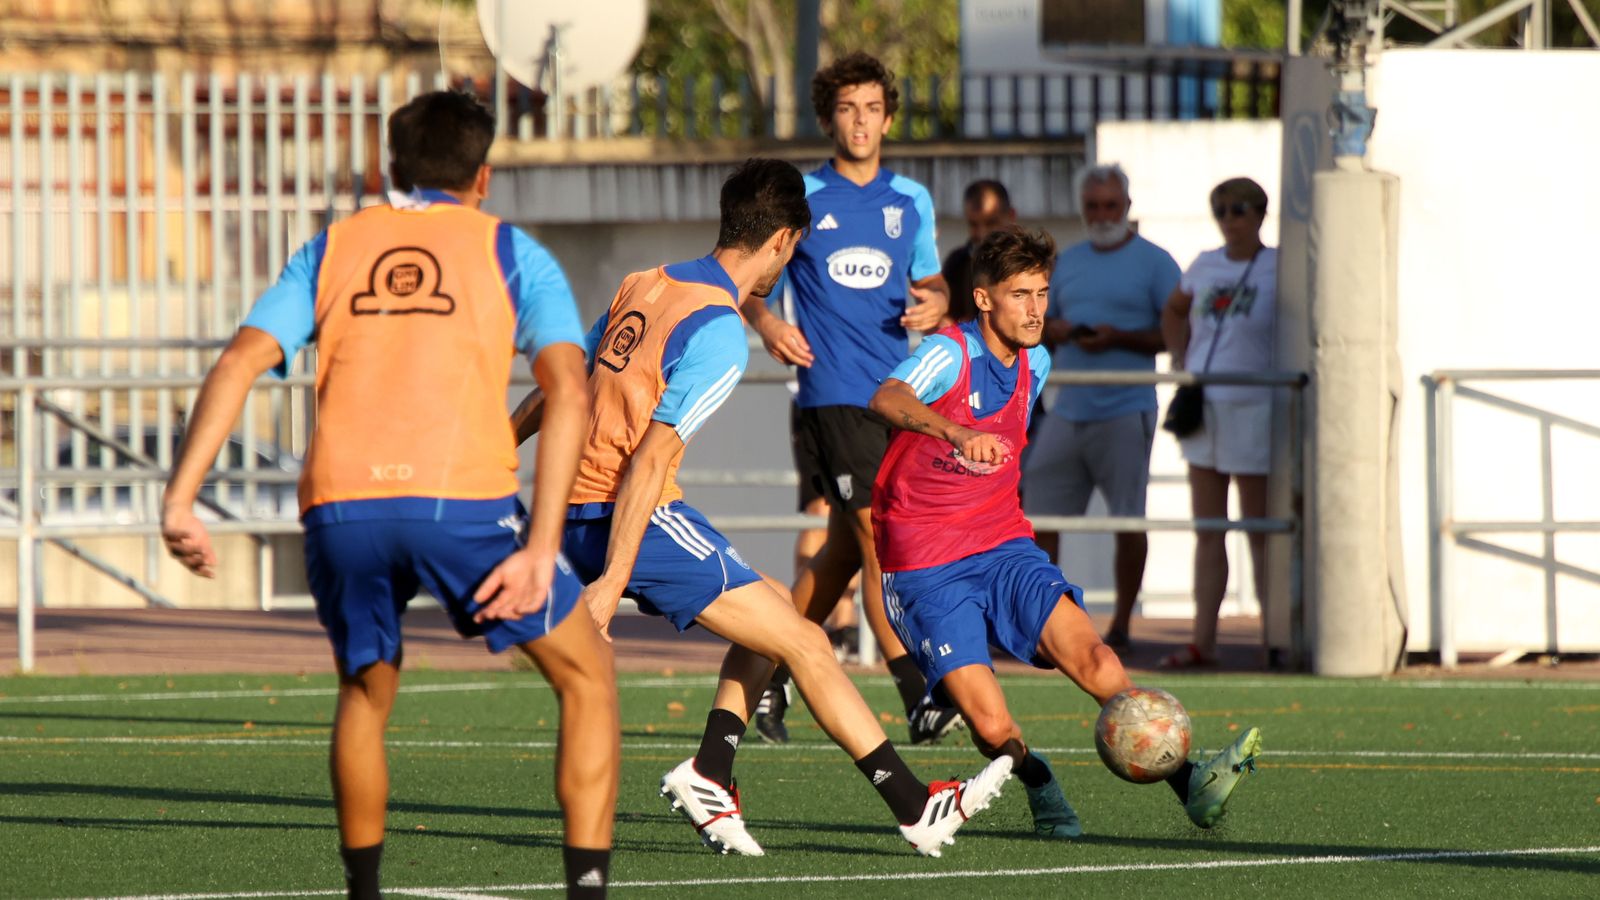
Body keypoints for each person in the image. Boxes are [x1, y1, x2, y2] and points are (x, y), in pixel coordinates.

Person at [159, 92, 619, 899]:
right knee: (585, 679)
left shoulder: (334, 247)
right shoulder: (511, 251)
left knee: (366, 693)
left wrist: (180, 499)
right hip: (461, 508)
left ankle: (363, 893)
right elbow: (569, 389)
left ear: (388, 170)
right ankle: (586, 889)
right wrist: (543, 548)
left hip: (340, 507)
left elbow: (236, 363)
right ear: (483, 175)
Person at [515, 158, 1012, 859]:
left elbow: (565, 384)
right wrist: (607, 588)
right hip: (625, 513)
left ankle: (710, 772)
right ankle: (915, 807)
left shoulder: (645, 282)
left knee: (776, 609)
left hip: (578, 507)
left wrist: (501, 448)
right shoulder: (719, 329)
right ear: (782, 241)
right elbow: (650, 462)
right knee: (806, 643)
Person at [869, 224, 1263, 840]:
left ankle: (1191, 783)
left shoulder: (1039, 359)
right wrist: (954, 432)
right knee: (994, 728)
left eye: (1043, 293)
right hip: (925, 562)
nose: (1035, 309)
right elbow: (887, 395)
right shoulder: (951, 353)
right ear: (983, 299)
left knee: (1096, 657)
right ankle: (1038, 780)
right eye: (1020, 294)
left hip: (1001, 543)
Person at [740, 50, 962, 746]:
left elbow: (935, 287)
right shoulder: (803, 199)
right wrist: (770, 321)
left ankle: (766, 678)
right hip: (831, 397)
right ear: (828, 118)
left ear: (889, 117)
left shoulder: (911, 200)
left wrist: (937, 306)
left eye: (871, 108)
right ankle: (919, 690)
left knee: (839, 552)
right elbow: (750, 284)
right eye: (846, 108)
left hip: (894, 399)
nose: (860, 121)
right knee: (879, 540)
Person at [1022, 164, 1180, 650]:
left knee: (1128, 520)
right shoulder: (1067, 262)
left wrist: (1121, 338)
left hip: (1125, 407)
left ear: (1128, 207)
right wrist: (1059, 330)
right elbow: (1039, 322)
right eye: (1093, 206)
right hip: (1068, 407)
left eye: (1110, 205)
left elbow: (1174, 335)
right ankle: (1048, 623)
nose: (1102, 214)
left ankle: (1124, 626)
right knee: (1037, 516)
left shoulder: (1157, 262)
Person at [1159, 177, 1280, 668]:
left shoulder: (1279, 266)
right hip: (1204, 402)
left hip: (1253, 404)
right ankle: (1202, 639)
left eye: (1240, 210)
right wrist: (1179, 356)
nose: (1231, 220)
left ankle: (1275, 638)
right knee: (1209, 528)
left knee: (1260, 527)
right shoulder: (1204, 263)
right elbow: (1175, 308)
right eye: (1222, 210)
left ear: (1260, 214)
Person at [942, 179, 1018, 322]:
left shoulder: (1034, 261)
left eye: (991, 223)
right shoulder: (957, 263)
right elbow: (946, 318)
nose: (982, 234)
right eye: (974, 224)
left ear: (1011, 216)